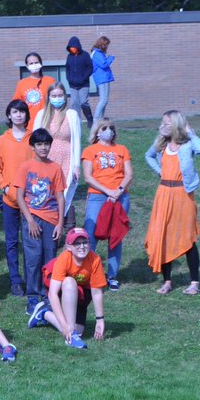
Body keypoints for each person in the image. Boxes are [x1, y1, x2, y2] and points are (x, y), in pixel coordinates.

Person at [144, 110, 200, 296]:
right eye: (162, 122)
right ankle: (167, 281)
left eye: (167, 123)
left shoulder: (188, 144)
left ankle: (194, 282)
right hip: (164, 193)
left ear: (177, 125)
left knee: (188, 238)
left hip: (183, 194)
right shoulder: (161, 144)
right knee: (163, 235)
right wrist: (160, 171)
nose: (162, 126)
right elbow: (148, 156)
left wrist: (190, 132)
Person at [13, 128, 66, 317]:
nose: (43, 148)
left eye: (46, 144)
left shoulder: (55, 168)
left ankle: (48, 296)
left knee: (50, 259)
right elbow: (19, 197)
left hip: (51, 219)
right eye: (39, 144)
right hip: (32, 219)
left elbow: (60, 197)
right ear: (33, 147)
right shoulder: (26, 167)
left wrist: (60, 223)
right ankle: (33, 296)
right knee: (33, 259)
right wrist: (29, 220)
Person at [29, 229, 107, 350]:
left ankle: (44, 313)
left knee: (79, 331)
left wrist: (100, 320)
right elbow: (53, 293)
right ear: (68, 247)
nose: (82, 246)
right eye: (77, 243)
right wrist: (65, 326)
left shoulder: (95, 260)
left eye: (85, 242)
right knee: (70, 282)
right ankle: (71, 336)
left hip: (81, 293)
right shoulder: (64, 258)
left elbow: (96, 292)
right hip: (62, 289)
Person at [81, 119, 133, 290]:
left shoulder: (122, 149)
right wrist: (107, 191)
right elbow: (88, 177)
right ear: (97, 131)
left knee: (115, 236)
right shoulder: (90, 151)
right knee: (91, 235)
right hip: (98, 197)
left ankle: (112, 276)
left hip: (120, 197)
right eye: (104, 128)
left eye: (111, 128)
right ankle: (91, 273)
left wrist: (118, 190)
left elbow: (128, 174)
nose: (108, 131)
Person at [0, 100, 33, 297]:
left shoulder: (33, 139)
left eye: (22, 112)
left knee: (30, 240)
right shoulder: (2, 140)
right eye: (15, 112)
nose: (18, 115)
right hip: (9, 200)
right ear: (9, 115)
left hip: (31, 200)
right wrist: (5, 187)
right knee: (11, 241)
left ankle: (32, 279)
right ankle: (15, 280)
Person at [33, 83, 82, 230]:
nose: (57, 98)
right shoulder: (42, 115)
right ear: (49, 97)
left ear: (65, 97)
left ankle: (67, 224)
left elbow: (77, 140)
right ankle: (50, 224)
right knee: (48, 191)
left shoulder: (71, 115)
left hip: (66, 158)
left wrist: (76, 165)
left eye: (60, 95)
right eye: (54, 96)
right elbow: (35, 139)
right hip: (47, 158)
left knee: (64, 191)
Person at [14, 52, 52, 124]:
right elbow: (16, 105)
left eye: (36, 62)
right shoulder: (21, 83)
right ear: (27, 66)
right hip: (28, 123)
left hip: (46, 122)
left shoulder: (50, 81)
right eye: (31, 63)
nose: (34, 65)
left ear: (40, 63)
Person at [65, 36, 94, 129]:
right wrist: (69, 78)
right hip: (73, 85)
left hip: (84, 84)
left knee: (83, 102)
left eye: (74, 47)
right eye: (71, 48)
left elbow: (90, 68)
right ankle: (76, 123)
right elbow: (67, 69)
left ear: (77, 46)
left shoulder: (85, 55)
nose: (72, 49)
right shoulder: (69, 57)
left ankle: (90, 119)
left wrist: (83, 78)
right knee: (74, 104)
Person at [91, 36, 116, 124]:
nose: (107, 47)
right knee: (103, 99)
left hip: (104, 77)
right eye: (106, 45)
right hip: (102, 78)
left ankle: (100, 118)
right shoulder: (96, 53)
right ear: (102, 44)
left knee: (105, 99)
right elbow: (103, 64)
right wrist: (110, 58)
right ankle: (97, 119)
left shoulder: (99, 53)